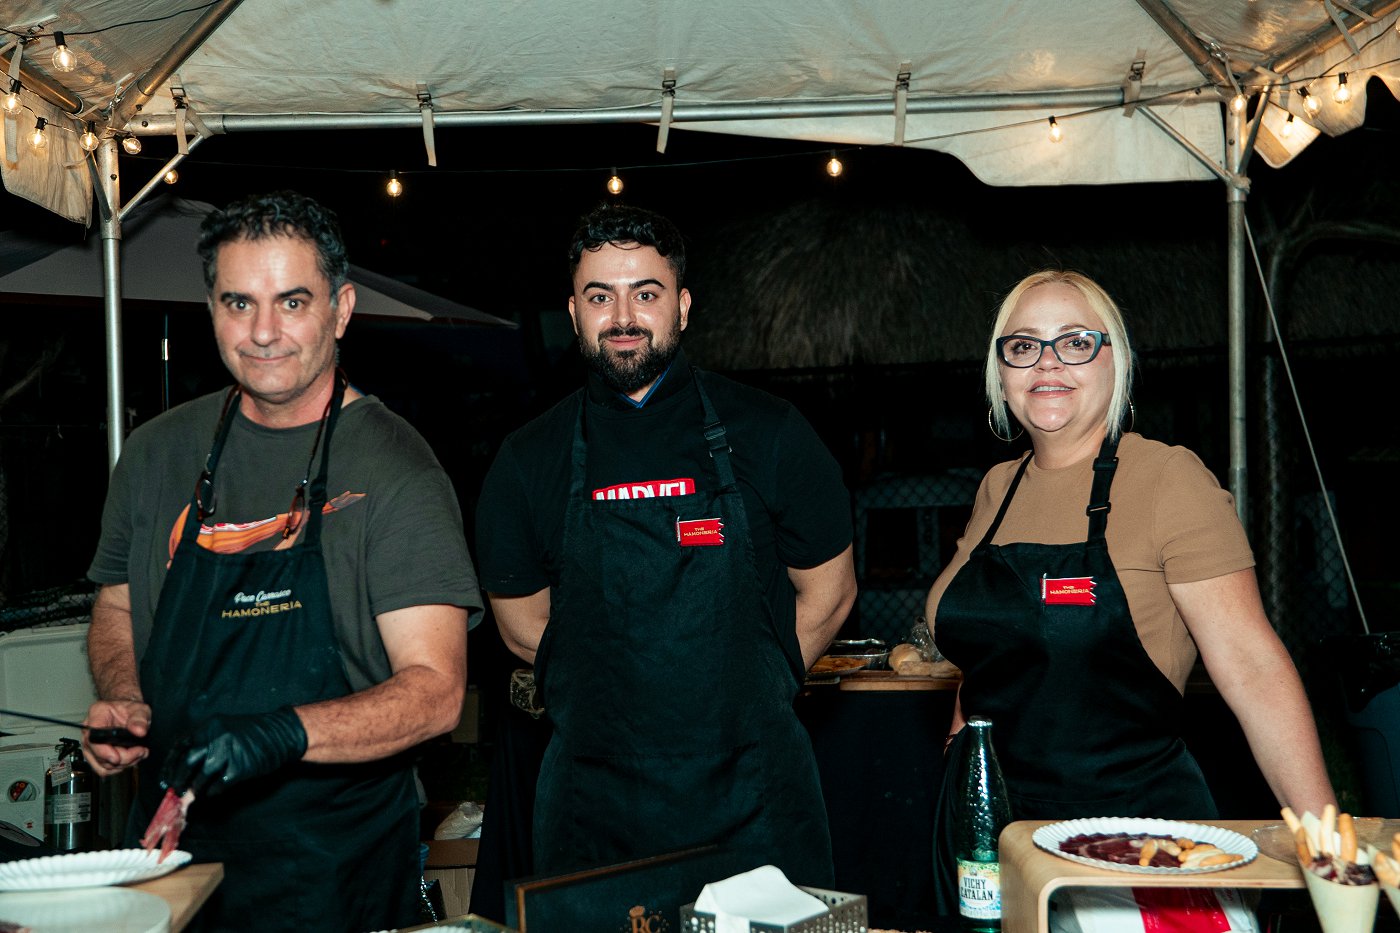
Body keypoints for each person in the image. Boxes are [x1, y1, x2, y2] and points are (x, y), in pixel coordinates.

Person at [81, 191, 482, 932]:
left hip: (332, 867)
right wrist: (125, 698)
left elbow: (435, 693)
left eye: (292, 302)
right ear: (211, 309)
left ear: (341, 309)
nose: (263, 332)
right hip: (170, 859)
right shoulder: (155, 453)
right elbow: (117, 606)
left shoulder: (395, 468)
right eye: (239, 303)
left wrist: (282, 733)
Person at [474, 202, 857, 885]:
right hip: (596, 808)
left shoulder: (771, 430)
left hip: (753, 795)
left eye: (645, 294)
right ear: (574, 312)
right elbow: (521, 625)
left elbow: (830, 591)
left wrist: (753, 690)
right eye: (601, 297)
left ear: (682, 305)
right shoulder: (528, 458)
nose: (623, 317)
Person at [927, 269, 1335, 823]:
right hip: (990, 828)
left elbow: (1252, 668)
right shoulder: (997, 488)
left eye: (1075, 342)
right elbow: (990, 658)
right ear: (1001, 376)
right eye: (1023, 346)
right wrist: (957, 765)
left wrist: (1324, 841)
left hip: (1133, 835)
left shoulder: (1168, 478)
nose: (1047, 363)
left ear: (1115, 363)